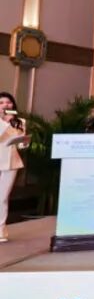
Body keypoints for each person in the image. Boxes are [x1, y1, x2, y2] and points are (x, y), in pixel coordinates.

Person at [0, 92, 29, 243]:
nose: (5, 105)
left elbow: (21, 145)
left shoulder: (20, 121)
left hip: (11, 161)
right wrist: (6, 122)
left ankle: (1, 231)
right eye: (1, 103)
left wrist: (25, 141)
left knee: (2, 197)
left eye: (8, 102)